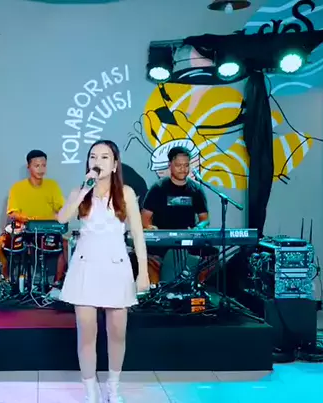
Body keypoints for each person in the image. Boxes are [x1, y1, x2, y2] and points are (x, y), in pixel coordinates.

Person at [56, 140, 149, 403]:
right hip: (85, 266)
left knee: (117, 332)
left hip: (116, 266)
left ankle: (113, 387)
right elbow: (62, 218)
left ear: (115, 164)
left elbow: (138, 235)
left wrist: (142, 272)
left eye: (105, 157)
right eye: (93, 156)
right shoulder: (80, 190)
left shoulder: (126, 193)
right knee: (86, 333)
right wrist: (84, 190)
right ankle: (90, 391)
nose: (98, 161)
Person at [141, 146, 210, 283]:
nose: (183, 169)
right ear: (170, 165)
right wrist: (150, 227)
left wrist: (199, 228)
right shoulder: (158, 188)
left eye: (186, 165)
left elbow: (205, 219)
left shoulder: (196, 190)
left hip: (188, 238)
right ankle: (156, 291)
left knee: (210, 256)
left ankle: (198, 288)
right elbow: (145, 218)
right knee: (150, 259)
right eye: (178, 165)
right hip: (162, 239)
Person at [0, 149, 68, 282]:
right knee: (1, 242)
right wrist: (26, 219)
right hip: (26, 230)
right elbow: (12, 213)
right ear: (29, 166)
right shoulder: (17, 188)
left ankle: (56, 283)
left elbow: (63, 208)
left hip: (48, 231)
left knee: (65, 244)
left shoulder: (52, 186)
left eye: (44, 165)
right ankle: (7, 280)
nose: (41, 169)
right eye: (37, 166)